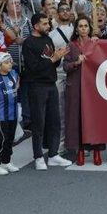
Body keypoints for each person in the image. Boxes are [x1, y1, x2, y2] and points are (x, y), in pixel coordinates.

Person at [22, 13, 72, 170]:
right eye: (44, 24)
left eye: (48, 23)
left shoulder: (48, 39)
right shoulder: (28, 43)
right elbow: (32, 67)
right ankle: (38, 157)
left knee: (55, 121)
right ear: (36, 26)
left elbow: (53, 64)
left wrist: (58, 57)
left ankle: (53, 154)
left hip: (51, 84)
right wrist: (52, 59)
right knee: (39, 123)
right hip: (37, 86)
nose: (48, 26)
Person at [63, 16, 104, 166]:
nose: (83, 29)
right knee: (77, 119)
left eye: (86, 26)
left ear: (89, 28)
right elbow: (65, 66)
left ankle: (97, 151)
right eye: (80, 26)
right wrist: (76, 62)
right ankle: (80, 151)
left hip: (93, 88)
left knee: (94, 119)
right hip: (76, 87)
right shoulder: (71, 45)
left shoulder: (95, 43)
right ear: (76, 29)